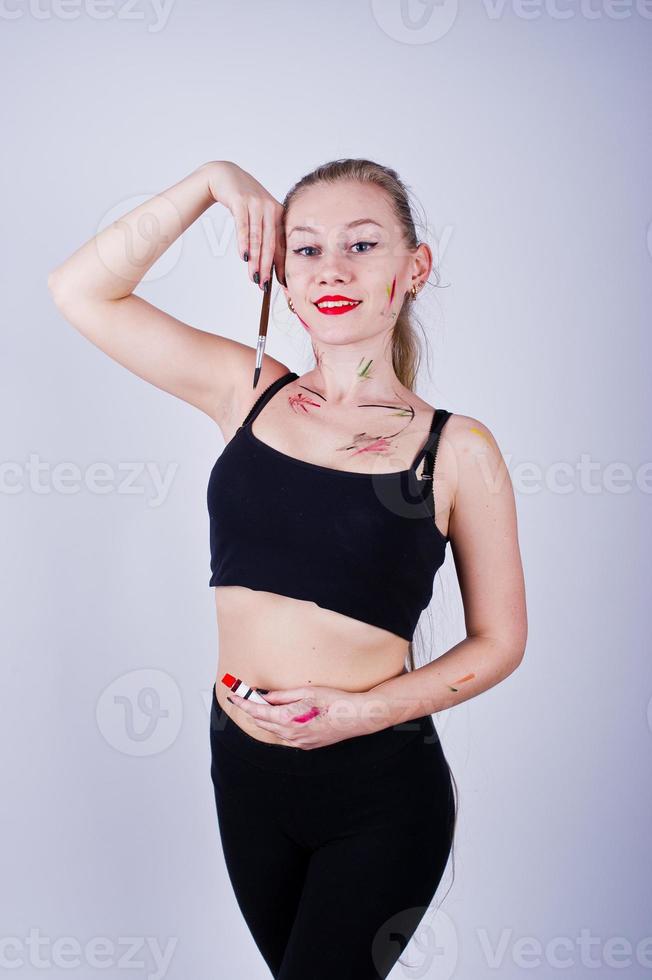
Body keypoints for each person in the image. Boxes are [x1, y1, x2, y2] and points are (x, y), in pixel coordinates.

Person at [48, 158, 528, 979]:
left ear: (415, 268)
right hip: (243, 772)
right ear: (277, 265)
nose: (332, 269)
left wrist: (356, 714)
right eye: (305, 249)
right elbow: (81, 290)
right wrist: (211, 184)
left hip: (378, 788)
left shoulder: (458, 449)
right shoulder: (249, 391)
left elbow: (500, 641)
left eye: (363, 244)